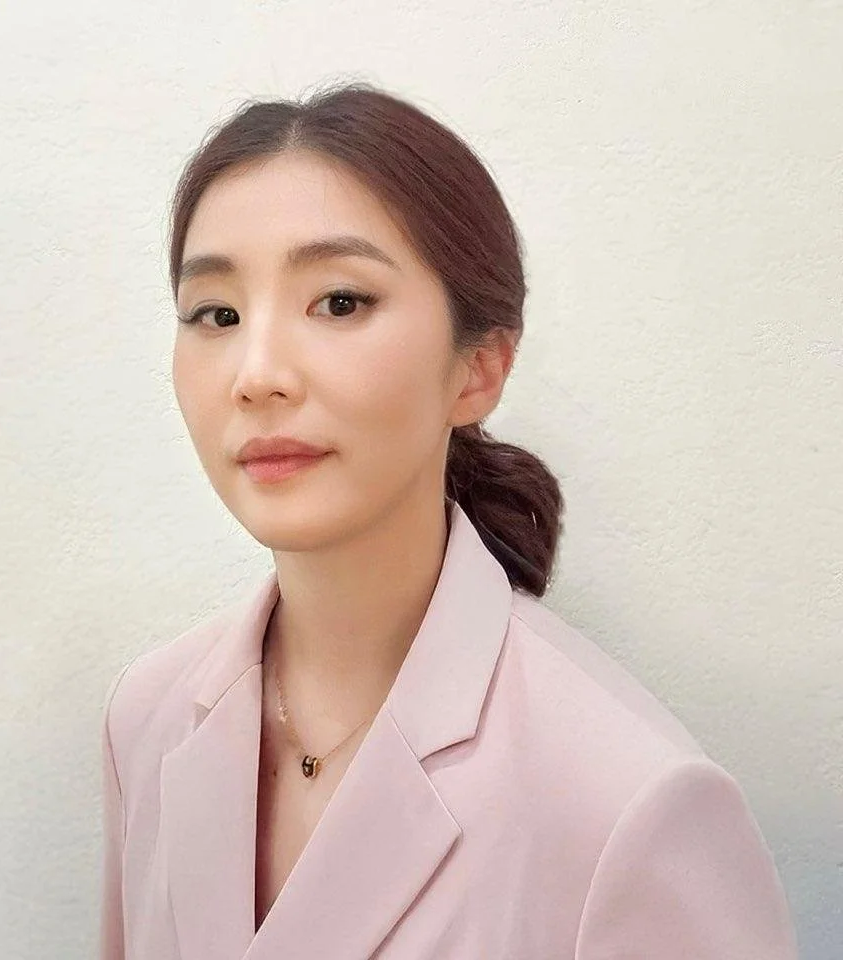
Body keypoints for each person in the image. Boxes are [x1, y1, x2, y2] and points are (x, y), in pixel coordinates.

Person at [99, 81, 798, 960]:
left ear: (479, 369)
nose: (256, 371)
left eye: (340, 302)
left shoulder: (631, 804)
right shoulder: (148, 718)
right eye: (217, 314)